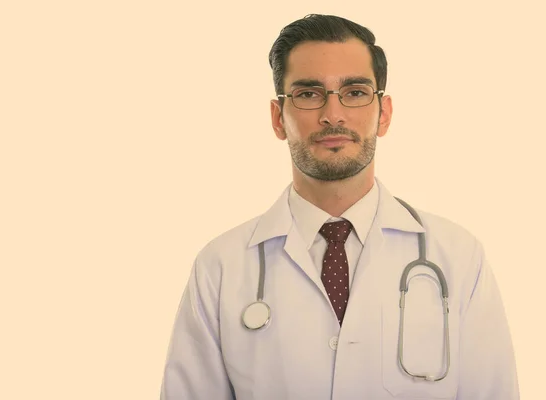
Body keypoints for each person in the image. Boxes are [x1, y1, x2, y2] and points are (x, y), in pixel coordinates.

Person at [160, 14, 519, 399]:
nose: (333, 114)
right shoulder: (220, 267)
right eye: (309, 93)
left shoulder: (458, 258)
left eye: (355, 92)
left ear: (384, 113)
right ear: (277, 118)